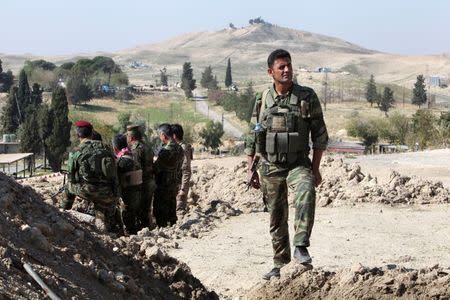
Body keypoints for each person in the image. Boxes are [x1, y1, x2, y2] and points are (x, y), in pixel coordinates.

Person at [245, 49, 329, 280]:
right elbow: (252, 136)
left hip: (298, 163)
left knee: (306, 192)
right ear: (270, 71)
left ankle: (301, 247)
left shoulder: (306, 97)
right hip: (270, 167)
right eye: (281, 67)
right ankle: (279, 264)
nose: (287, 70)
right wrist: (250, 169)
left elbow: (320, 135)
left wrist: (315, 168)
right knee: (276, 216)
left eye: (289, 65)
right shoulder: (263, 99)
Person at [63, 120, 122, 233]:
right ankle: (107, 226)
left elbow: (71, 178)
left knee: (68, 187)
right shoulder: (106, 148)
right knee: (104, 220)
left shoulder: (76, 151)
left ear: (78, 134)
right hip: (109, 193)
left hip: (88, 191)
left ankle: (62, 214)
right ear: (91, 133)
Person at [153, 123, 184, 227]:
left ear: (163, 135)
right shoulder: (180, 148)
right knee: (172, 208)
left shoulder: (165, 151)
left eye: (160, 135)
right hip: (174, 183)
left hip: (163, 185)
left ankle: (163, 230)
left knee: (160, 211)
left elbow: (156, 168)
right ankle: (173, 227)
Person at [127, 124, 156, 230]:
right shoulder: (147, 146)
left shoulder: (136, 149)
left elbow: (135, 167)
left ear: (131, 137)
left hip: (142, 183)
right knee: (147, 208)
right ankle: (148, 228)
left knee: (139, 209)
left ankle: (142, 230)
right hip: (150, 181)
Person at [112, 134, 142, 234]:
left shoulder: (120, 162)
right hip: (138, 196)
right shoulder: (134, 159)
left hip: (126, 199)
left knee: (128, 223)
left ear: (115, 148)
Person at [171, 123, 193, 212]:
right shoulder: (177, 147)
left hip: (180, 187)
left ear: (174, 136)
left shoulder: (183, 148)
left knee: (179, 211)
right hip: (175, 185)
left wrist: (183, 189)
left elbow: (186, 170)